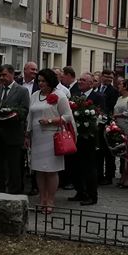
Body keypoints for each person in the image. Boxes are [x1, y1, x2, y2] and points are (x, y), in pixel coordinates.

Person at [25, 68, 75, 213]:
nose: (41, 83)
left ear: (50, 81)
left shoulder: (59, 95)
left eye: (44, 81)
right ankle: (42, 199)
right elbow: (30, 116)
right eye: (39, 81)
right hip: (37, 138)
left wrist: (51, 121)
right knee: (39, 171)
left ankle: (51, 200)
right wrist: (27, 134)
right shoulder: (35, 95)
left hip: (52, 137)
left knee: (51, 171)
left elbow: (68, 117)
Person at [0, 63, 30, 194]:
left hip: (13, 134)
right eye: (0, 75)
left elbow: (24, 110)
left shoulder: (22, 91)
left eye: (5, 75)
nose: (2, 78)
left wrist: (13, 115)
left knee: (14, 166)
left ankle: (14, 192)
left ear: (12, 74)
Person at [67, 72, 104, 206]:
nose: (80, 82)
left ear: (90, 83)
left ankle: (91, 195)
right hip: (76, 138)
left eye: (83, 80)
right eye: (79, 79)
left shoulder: (98, 97)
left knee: (89, 167)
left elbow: (101, 115)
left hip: (89, 138)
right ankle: (80, 191)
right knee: (75, 166)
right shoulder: (75, 95)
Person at [96, 69, 119, 184]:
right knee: (99, 151)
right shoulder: (97, 88)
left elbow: (112, 107)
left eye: (111, 78)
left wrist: (104, 114)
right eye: (107, 77)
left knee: (108, 151)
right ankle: (99, 174)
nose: (109, 79)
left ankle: (109, 175)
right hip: (97, 123)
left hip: (107, 124)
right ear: (102, 76)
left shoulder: (114, 91)